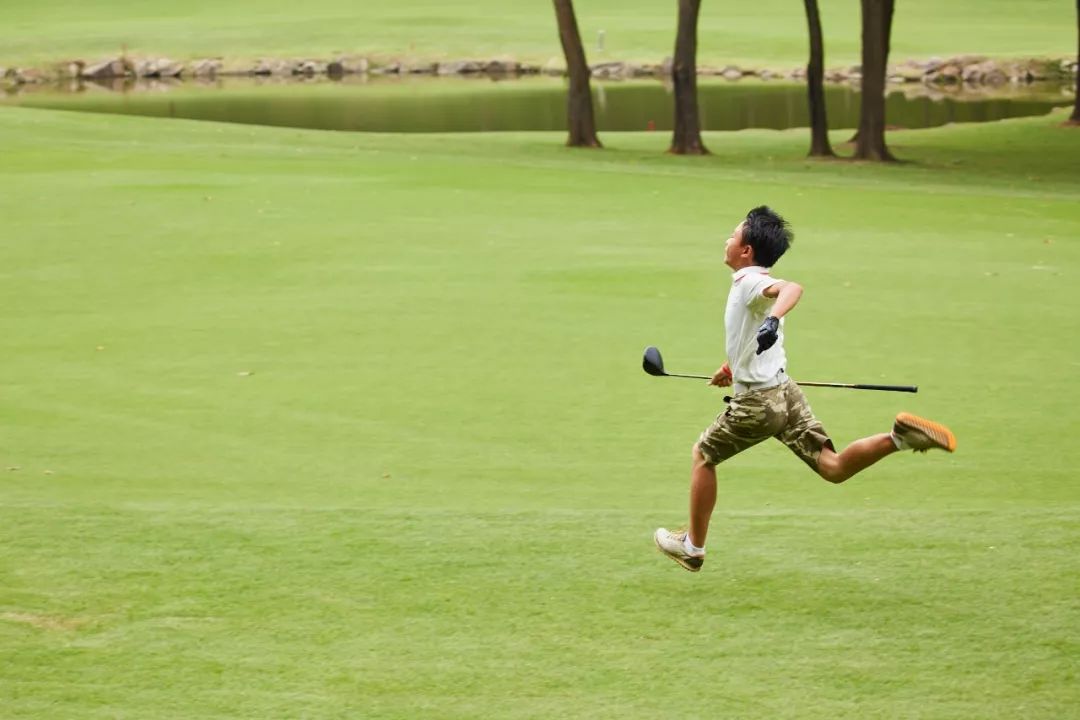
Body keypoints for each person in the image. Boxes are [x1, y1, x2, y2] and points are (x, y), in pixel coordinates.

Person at [654, 206, 956, 572]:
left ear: (746, 251)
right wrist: (732, 366)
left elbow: (791, 288)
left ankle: (693, 547)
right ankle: (899, 438)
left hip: (758, 404)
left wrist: (773, 319)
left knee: (703, 455)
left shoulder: (749, 283)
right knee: (833, 467)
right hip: (784, 392)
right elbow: (751, 333)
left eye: (733, 236)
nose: (727, 240)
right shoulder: (750, 285)